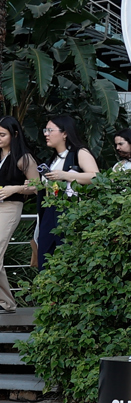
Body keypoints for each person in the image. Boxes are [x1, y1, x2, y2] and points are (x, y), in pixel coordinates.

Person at [37, 114, 99, 268]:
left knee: (67, 253)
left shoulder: (79, 153)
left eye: (50, 130)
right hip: (50, 210)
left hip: (70, 210)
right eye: (45, 130)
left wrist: (66, 175)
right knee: (45, 254)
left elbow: (96, 177)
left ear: (65, 133)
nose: (46, 134)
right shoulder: (54, 159)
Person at [0, 117, 38, 314]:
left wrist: (15, 188)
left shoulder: (24, 158)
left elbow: (36, 186)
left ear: (14, 135)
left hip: (10, 207)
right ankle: (7, 302)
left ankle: (7, 303)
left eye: (2, 134)